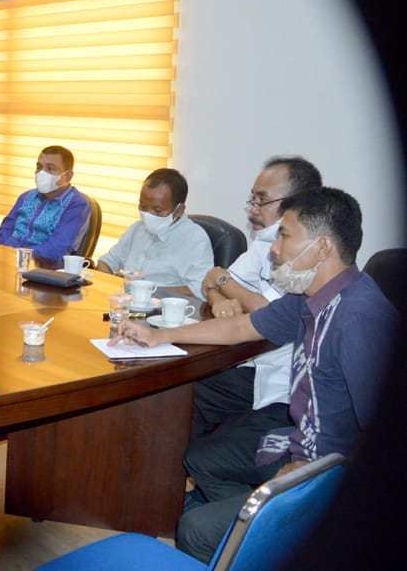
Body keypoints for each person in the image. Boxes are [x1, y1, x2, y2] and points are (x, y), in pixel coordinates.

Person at [111, 187, 396, 562]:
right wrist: (160, 335)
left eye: (285, 234)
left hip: (329, 471)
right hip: (299, 436)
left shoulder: (359, 317)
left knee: (195, 529)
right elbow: (239, 328)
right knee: (202, 458)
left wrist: (304, 477)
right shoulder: (310, 296)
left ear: (323, 247)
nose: (274, 248)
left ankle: (273, 535)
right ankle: (262, 540)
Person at [193, 156, 322, 439]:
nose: (252, 210)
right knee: (184, 391)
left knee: (188, 397)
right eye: (252, 199)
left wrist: (222, 280)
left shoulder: (304, 251)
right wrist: (218, 298)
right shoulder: (264, 242)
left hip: (282, 380)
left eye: (261, 200)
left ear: (297, 202)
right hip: (249, 358)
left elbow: (267, 312)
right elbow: (210, 282)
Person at [96, 168, 213, 298]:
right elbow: (105, 262)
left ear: (179, 210)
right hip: (126, 304)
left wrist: (147, 290)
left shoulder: (195, 239)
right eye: (143, 206)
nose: (147, 215)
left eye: (157, 210)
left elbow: (201, 289)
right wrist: (115, 285)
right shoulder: (137, 228)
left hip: (165, 312)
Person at [0, 145, 92, 269]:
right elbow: (3, 233)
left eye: (50, 169)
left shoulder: (77, 205)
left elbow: (55, 250)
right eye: (39, 167)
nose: (42, 173)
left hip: (45, 272)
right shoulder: (26, 196)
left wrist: (17, 252)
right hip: (8, 263)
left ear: (68, 176)